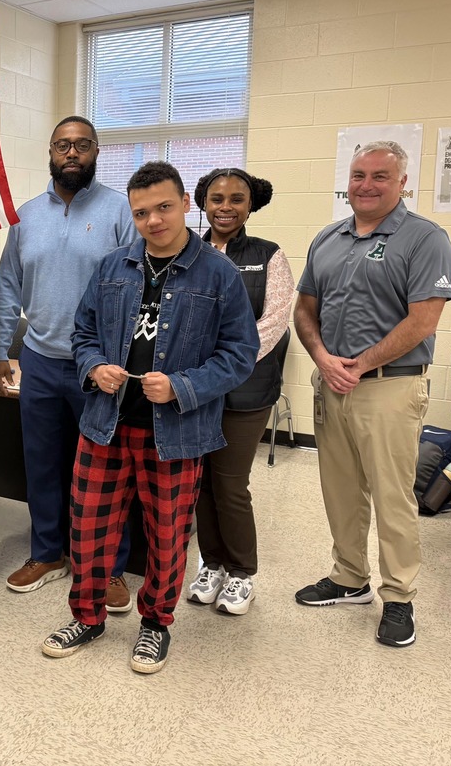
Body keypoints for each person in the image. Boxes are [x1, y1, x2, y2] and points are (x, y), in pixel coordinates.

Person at [42, 161, 258, 674]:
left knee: (166, 534)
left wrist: (182, 386)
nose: (154, 220)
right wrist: (94, 367)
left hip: (176, 433)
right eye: (141, 212)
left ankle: (156, 624)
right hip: (105, 424)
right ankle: (88, 616)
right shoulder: (114, 266)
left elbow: (240, 353)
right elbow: (83, 334)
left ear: (186, 203)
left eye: (164, 207)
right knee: (89, 527)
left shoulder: (218, 273)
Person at [294, 140, 451, 648]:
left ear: (403, 182)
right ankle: (349, 579)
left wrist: (360, 364)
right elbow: (304, 309)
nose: (366, 185)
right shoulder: (329, 237)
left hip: (389, 388)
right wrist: (322, 358)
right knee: (340, 490)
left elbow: (424, 319)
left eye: (380, 176)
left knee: (392, 495)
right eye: (359, 174)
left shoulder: (425, 238)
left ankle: (400, 596)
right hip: (331, 383)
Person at [0, 116, 138, 612]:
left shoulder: (121, 211)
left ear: (96, 151)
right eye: (62, 145)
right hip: (37, 359)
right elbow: (8, 286)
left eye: (81, 145)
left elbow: (136, 287)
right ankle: (48, 553)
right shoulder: (26, 215)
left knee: (104, 470)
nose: (71, 153)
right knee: (42, 466)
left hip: (97, 367)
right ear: (50, 153)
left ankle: (110, 566)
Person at [186, 168, 295, 615]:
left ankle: (242, 573)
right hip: (193, 391)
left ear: (251, 205)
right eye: (216, 198)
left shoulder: (269, 256)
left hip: (246, 392)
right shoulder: (187, 252)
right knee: (200, 485)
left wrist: (222, 362)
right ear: (203, 203)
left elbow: (272, 323)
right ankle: (211, 564)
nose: (225, 207)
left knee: (231, 485)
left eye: (236, 199)